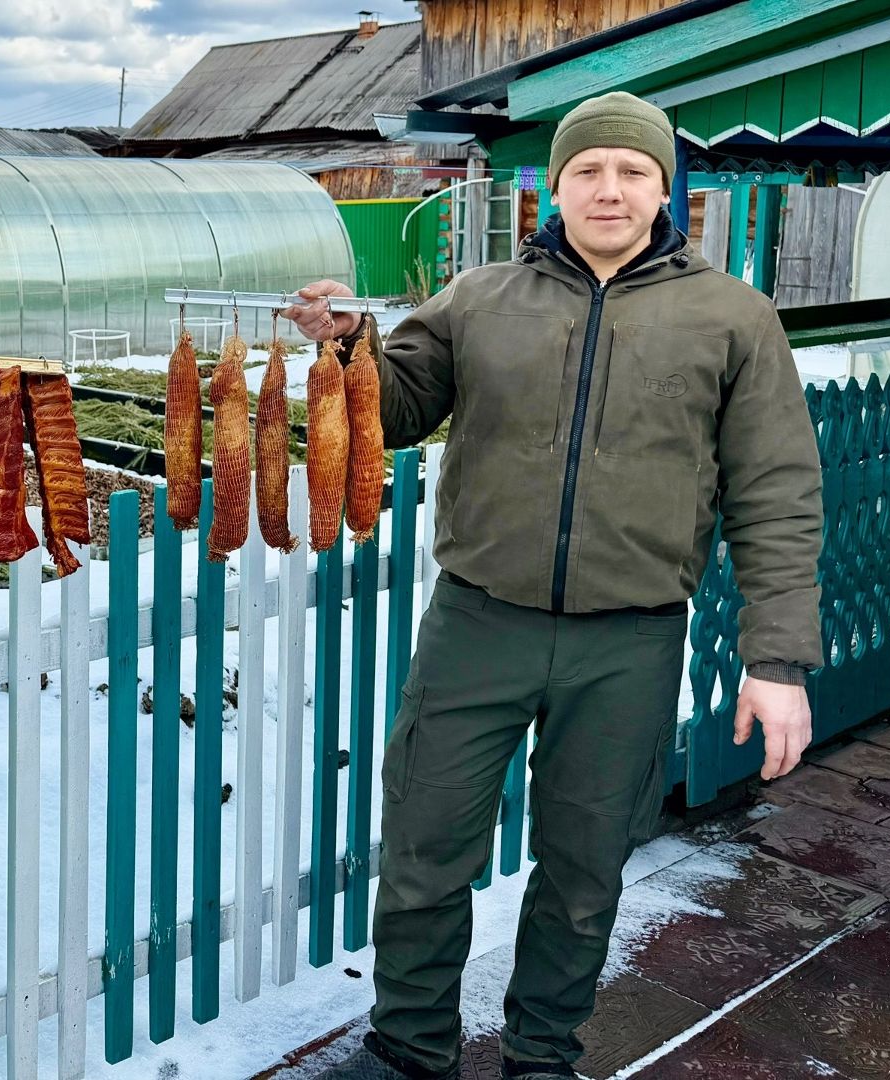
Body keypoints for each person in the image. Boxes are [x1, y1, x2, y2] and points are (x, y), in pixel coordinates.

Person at [283, 91, 821, 1079]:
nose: (608, 189)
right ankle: (408, 1049)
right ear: (555, 185)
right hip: (477, 622)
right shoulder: (478, 298)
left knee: (582, 869)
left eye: (631, 170)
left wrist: (776, 660)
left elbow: (775, 493)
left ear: (663, 187)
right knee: (423, 850)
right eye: (587, 170)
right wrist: (350, 343)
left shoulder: (730, 318)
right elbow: (394, 414)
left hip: (628, 639)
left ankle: (540, 1055)